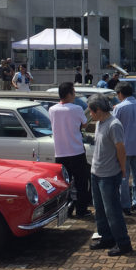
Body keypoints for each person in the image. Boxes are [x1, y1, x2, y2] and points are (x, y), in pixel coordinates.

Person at [87, 93, 132, 256]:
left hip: (109, 175)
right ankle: (106, 237)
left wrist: (123, 169)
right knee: (100, 209)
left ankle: (123, 243)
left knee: (112, 210)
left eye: (91, 111)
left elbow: (121, 149)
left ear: (98, 110)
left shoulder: (114, 124)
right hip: (96, 172)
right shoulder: (101, 122)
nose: (90, 115)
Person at [48, 82, 91, 217]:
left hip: (60, 152)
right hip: (76, 151)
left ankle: (66, 210)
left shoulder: (52, 109)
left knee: (64, 184)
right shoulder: (77, 108)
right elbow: (84, 124)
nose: (74, 95)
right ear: (69, 93)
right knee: (81, 183)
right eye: (73, 92)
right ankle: (81, 210)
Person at [113, 82, 136, 215]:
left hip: (124, 146)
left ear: (120, 93)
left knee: (124, 177)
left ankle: (125, 205)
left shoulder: (119, 108)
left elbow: (114, 126)